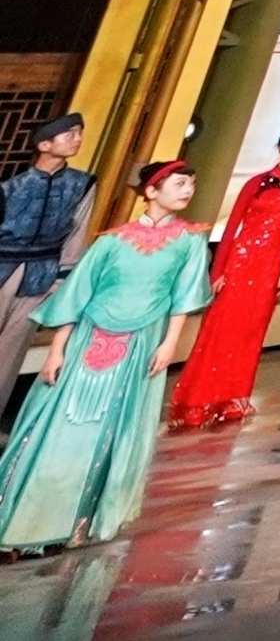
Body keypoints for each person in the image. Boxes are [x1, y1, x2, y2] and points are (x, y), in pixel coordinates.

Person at [0, 160, 207, 554]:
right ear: (151, 190)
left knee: (108, 430)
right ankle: (25, 519)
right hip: (88, 340)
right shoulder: (111, 241)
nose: (187, 191)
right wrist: (57, 349)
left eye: (190, 185)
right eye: (179, 183)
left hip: (140, 345)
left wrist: (169, 343)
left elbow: (183, 298)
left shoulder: (189, 242)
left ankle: (75, 522)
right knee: (60, 427)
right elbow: (76, 297)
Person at [166, 125, 280, 431]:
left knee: (252, 333)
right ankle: (198, 400)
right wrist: (218, 271)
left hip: (271, 265)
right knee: (220, 329)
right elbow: (232, 227)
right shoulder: (257, 183)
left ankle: (233, 398)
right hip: (240, 260)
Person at [0, 115, 94, 436]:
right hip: (2, 265)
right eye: (69, 134)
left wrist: (61, 280)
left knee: (10, 352)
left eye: (79, 133)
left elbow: (76, 235)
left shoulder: (81, 184)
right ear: (44, 144)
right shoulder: (12, 180)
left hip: (40, 273)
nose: (77, 139)